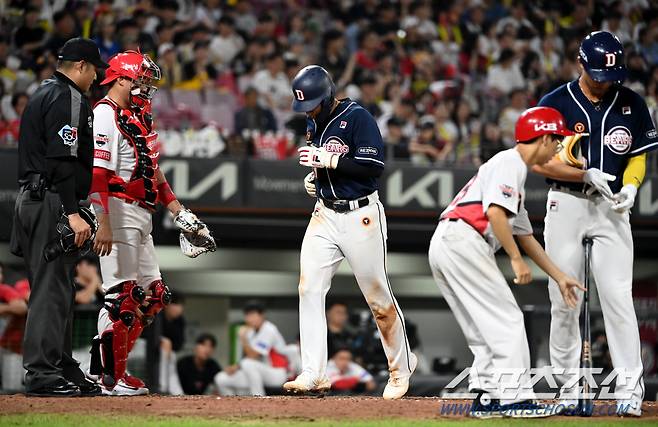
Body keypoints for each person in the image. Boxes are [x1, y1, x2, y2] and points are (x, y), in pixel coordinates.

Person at [428, 107, 585, 418]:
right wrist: (515, 260)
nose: (558, 147)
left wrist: (559, 276)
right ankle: (516, 399)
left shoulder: (512, 171)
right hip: (463, 240)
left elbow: (526, 237)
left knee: (484, 330)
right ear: (542, 138)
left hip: (448, 243)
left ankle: (488, 397)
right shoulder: (509, 162)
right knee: (508, 320)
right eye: (556, 140)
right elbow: (496, 215)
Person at [535, 31, 658, 417]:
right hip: (566, 202)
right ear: (581, 64)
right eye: (598, 73)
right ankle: (568, 389)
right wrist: (584, 175)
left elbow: (638, 154)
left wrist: (633, 187)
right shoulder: (554, 102)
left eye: (612, 74)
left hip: (612, 207)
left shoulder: (631, 102)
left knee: (618, 297)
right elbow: (540, 161)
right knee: (564, 299)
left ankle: (629, 390)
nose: (606, 81)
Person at [285, 65, 416, 400]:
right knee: (309, 288)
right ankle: (314, 372)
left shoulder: (359, 117)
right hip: (325, 214)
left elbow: (373, 167)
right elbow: (326, 163)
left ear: (327, 95)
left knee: (378, 298)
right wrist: (317, 177)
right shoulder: (314, 119)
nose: (308, 110)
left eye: (312, 103)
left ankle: (401, 369)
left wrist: (328, 163)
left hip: (361, 216)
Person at [87, 50, 212, 396]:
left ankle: (115, 373)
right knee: (123, 297)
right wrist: (103, 222)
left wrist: (178, 210)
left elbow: (151, 170)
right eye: (140, 81)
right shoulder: (105, 113)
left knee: (154, 296)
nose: (145, 88)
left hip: (143, 212)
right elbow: (98, 174)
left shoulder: (137, 116)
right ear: (122, 79)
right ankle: (110, 379)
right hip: (118, 208)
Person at [10, 37, 108, 397]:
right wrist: (72, 211)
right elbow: (62, 160)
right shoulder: (67, 96)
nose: (96, 76)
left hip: (36, 198)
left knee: (59, 290)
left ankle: (60, 365)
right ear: (80, 66)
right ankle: (42, 373)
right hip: (50, 199)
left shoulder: (44, 91)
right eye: (94, 68)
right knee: (51, 291)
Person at [214, 301, 289, 396]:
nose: (249, 319)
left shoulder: (269, 329)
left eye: (253, 315)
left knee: (248, 364)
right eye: (247, 315)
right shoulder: (251, 332)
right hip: (257, 373)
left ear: (262, 315)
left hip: (276, 373)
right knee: (221, 378)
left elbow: (253, 355)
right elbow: (251, 358)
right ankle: (234, 406)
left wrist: (243, 338)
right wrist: (236, 367)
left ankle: (258, 398)